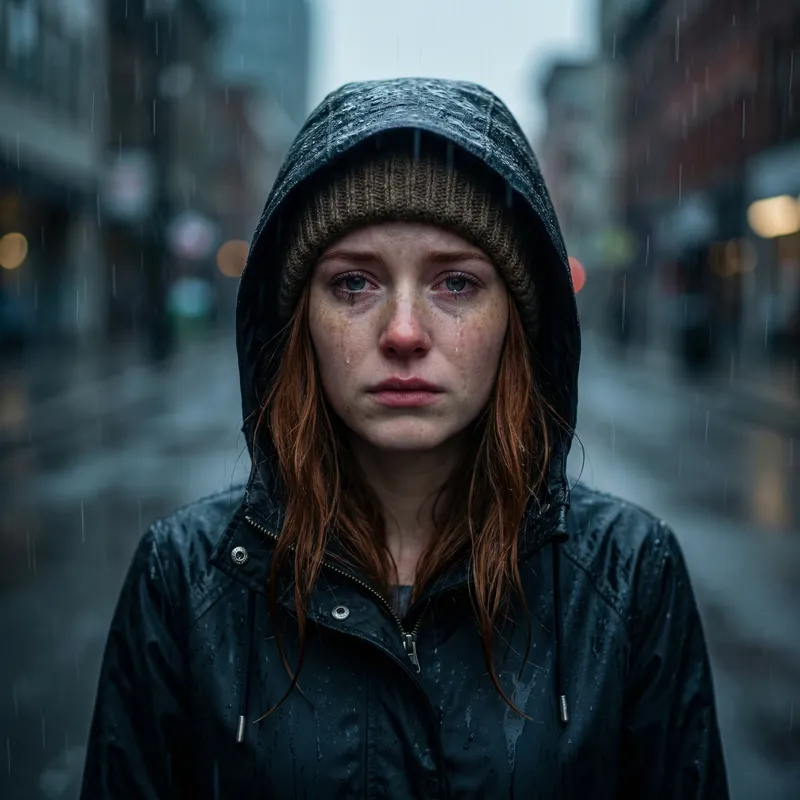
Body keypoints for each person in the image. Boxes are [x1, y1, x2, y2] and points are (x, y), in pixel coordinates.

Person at [81, 78, 729, 798]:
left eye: (455, 284)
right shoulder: (187, 580)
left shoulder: (627, 576)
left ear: (515, 319)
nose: (403, 333)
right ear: (301, 321)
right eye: (354, 284)